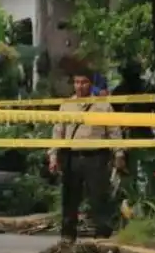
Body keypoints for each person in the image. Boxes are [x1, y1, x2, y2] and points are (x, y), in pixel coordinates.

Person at [48, 70, 125, 242]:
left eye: (83, 82)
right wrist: (53, 156)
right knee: (69, 197)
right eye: (76, 82)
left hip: (96, 157)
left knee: (99, 197)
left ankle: (102, 235)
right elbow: (58, 131)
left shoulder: (103, 106)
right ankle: (67, 235)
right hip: (71, 156)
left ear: (91, 84)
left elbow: (113, 131)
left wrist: (118, 153)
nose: (80, 86)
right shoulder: (67, 105)